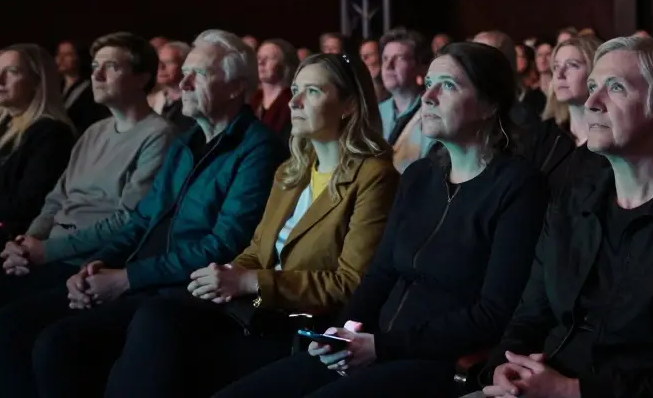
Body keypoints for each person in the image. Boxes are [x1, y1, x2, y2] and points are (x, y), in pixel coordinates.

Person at [218, 42, 547, 398]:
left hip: (435, 360)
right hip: (373, 344)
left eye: (449, 85)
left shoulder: (518, 187)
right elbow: (380, 275)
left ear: (490, 104)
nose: (430, 96)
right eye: (429, 84)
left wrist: (381, 346)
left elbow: (492, 313)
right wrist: (340, 334)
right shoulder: (420, 177)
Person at [0, 30, 287, 398]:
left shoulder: (257, 149)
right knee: (9, 324)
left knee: (57, 345)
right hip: (142, 276)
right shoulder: (186, 142)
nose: (184, 82)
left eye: (201, 74)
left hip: (183, 289)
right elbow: (141, 220)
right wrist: (94, 266)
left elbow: (223, 245)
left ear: (235, 88)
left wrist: (126, 278)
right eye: (186, 72)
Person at [471, 36, 653, 398]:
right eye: (592, 87)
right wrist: (503, 368)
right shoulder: (571, 201)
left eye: (615, 87)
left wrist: (572, 391)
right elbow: (529, 317)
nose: (591, 103)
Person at [104, 52, 399, 397]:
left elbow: (350, 284)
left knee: (165, 333)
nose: (296, 101)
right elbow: (257, 250)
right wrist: (223, 275)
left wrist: (247, 280)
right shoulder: (291, 172)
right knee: (157, 315)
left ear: (349, 104)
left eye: (313, 92)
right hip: (257, 308)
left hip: (302, 324)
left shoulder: (374, 177)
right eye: (295, 90)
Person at [0, 34, 172, 312]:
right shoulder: (93, 132)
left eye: (111, 66)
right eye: (94, 67)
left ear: (141, 78)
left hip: (86, 264)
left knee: (3, 320)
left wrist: (46, 251)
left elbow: (127, 218)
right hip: (49, 254)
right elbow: (55, 200)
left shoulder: (158, 135)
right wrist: (25, 245)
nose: (97, 75)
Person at [0, 44, 76, 245]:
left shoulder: (52, 133)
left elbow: (25, 207)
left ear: (38, 82)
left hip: (15, 242)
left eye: (12, 72)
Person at [522, 35, 607, 194]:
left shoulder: (613, 141)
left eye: (572, 65)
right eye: (555, 66)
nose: (559, 74)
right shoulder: (544, 135)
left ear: (596, 72)